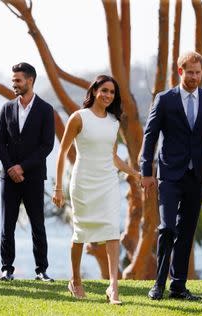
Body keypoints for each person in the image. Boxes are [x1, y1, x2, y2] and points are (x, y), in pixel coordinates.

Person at [141, 51, 202, 301]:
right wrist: (146, 172)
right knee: (167, 228)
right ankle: (159, 284)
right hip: (169, 174)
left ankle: (178, 287)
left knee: (186, 231)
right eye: (190, 72)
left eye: (198, 72)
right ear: (180, 72)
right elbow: (150, 136)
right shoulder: (164, 99)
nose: (194, 77)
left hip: (197, 176)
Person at [52, 75, 140, 304]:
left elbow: (113, 158)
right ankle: (75, 280)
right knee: (80, 234)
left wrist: (135, 173)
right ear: (94, 91)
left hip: (108, 183)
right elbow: (62, 153)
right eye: (104, 90)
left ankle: (113, 287)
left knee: (112, 231)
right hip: (83, 183)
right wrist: (58, 188)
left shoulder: (114, 122)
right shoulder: (79, 117)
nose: (108, 95)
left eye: (112, 92)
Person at [0, 62, 55, 282]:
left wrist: (23, 167)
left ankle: (41, 270)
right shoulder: (6, 108)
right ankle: (6, 269)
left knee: (37, 224)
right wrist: (11, 167)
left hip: (33, 176)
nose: (14, 84)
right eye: (13, 81)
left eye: (18, 80)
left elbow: (46, 146)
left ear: (30, 80)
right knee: (6, 225)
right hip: (8, 177)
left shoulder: (46, 110)